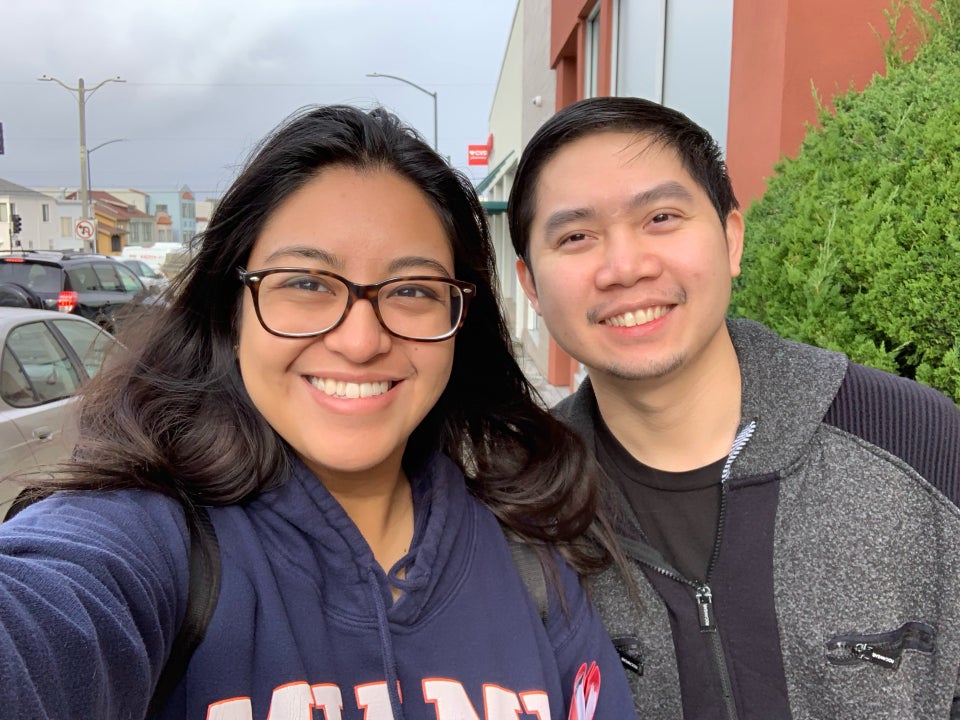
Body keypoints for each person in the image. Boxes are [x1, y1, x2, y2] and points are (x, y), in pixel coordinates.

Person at [0, 104, 637, 720]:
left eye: (413, 290)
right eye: (306, 283)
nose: (360, 342)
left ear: (458, 322)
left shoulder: (531, 556)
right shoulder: (147, 543)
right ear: (232, 309)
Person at [508, 95, 960, 719]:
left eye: (661, 217)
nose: (625, 267)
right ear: (531, 286)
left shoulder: (917, 442)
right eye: (576, 236)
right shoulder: (522, 507)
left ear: (731, 239)